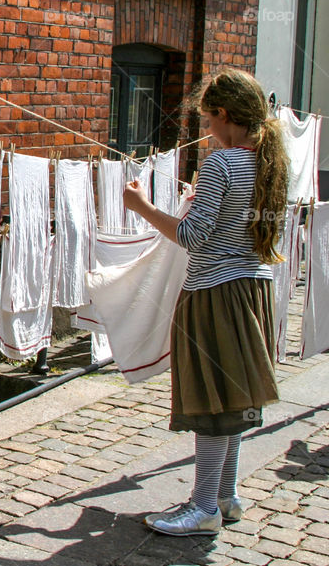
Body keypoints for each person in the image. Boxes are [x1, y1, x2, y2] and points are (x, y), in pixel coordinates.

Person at [123, 67, 289, 537]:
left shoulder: (221, 163)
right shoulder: (270, 158)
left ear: (222, 114)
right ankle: (224, 495)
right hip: (254, 289)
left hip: (214, 294)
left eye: (208, 119)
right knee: (235, 397)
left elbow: (193, 237)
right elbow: (237, 221)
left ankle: (202, 508)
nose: (206, 130)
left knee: (212, 401)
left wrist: (141, 207)